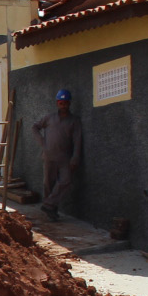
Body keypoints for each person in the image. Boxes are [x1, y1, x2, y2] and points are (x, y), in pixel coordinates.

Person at [33, 88, 83, 221]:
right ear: (57, 103)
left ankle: (48, 204)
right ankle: (51, 211)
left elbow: (77, 140)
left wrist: (75, 157)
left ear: (69, 103)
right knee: (48, 183)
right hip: (49, 156)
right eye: (61, 103)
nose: (63, 105)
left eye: (66, 103)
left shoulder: (74, 121)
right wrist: (42, 142)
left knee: (66, 180)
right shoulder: (49, 118)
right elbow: (35, 127)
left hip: (65, 157)